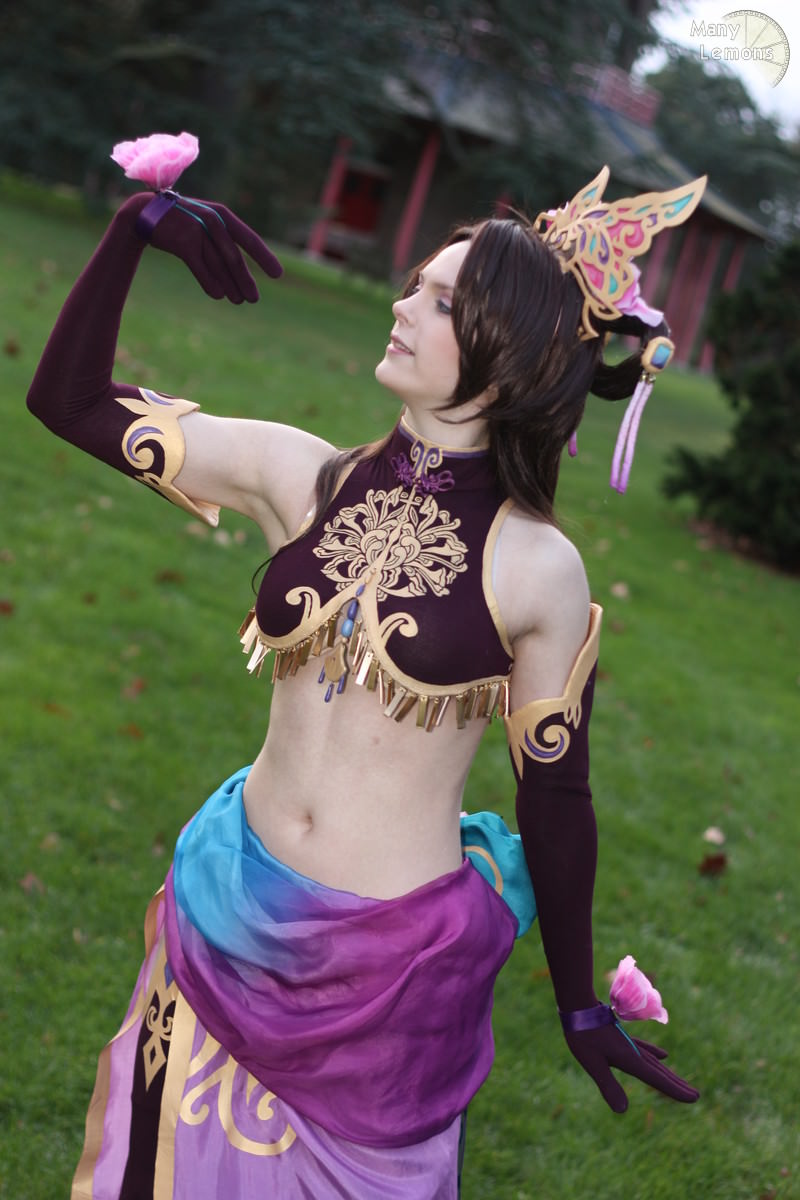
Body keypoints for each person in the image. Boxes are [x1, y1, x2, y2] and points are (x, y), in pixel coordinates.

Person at [27, 158, 704, 1200]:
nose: (401, 308)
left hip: (385, 987)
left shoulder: (537, 566)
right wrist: (133, 230)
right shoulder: (303, 477)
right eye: (413, 287)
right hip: (220, 913)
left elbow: (556, 794)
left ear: (509, 352)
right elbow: (67, 401)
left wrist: (576, 1000)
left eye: (439, 302)